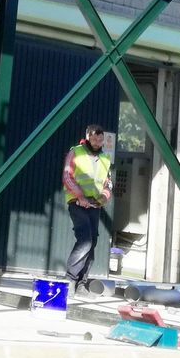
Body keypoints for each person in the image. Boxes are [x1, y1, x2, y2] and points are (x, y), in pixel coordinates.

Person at [62, 123, 112, 294]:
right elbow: (67, 176)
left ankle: (82, 283)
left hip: (94, 205)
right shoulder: (75, 152)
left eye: (100, 139)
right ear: (87, 137)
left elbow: (108, 183)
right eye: (94, 139)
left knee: (93, 241)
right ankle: (70, 279)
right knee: (85, 240)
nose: (97, 142)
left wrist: (104, 197)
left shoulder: (105, 158)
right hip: (77, 203)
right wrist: (80, 196)